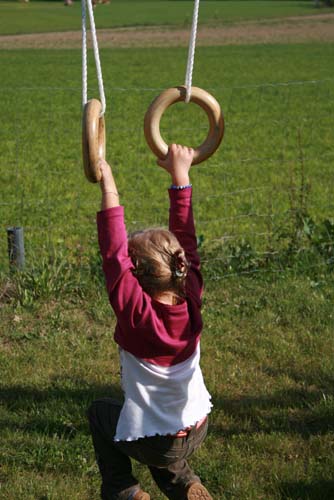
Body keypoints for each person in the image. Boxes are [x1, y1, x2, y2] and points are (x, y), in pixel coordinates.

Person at [88, 144, 213, 500]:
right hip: (197, 426)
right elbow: (185, 238)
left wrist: (108, 182)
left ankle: (123, 489)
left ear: (136, 277)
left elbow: (113, 253)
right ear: (181, 266)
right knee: (155, 422)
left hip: (160, 439)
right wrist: (180, 175)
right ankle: (185, 484)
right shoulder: (191, 300)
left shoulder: (136, 317)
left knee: (101, 414)